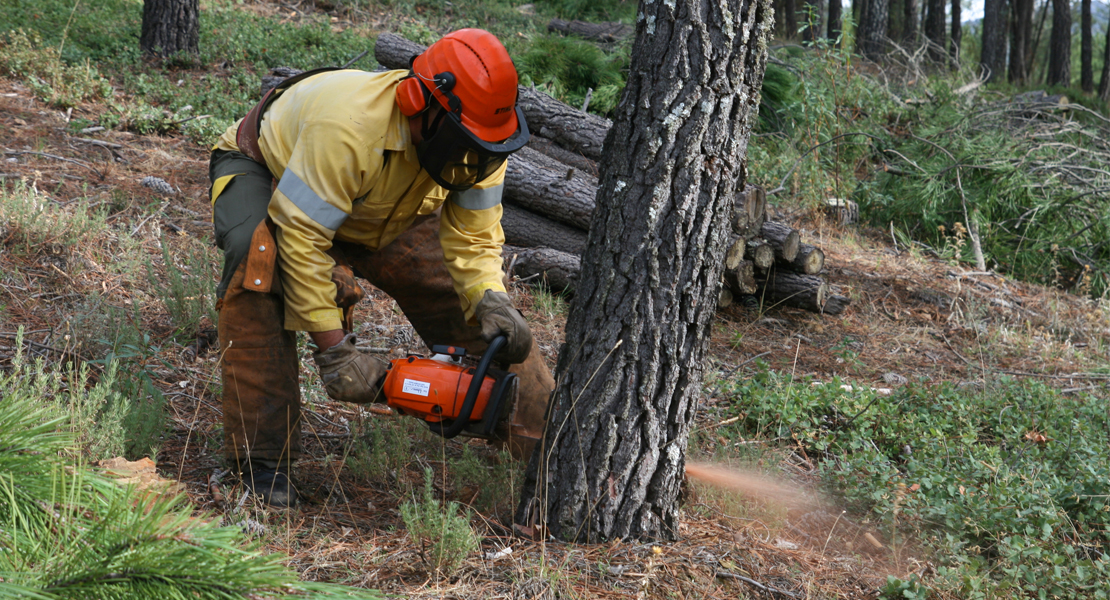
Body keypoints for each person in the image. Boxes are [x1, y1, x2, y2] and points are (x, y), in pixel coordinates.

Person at [208, 29, 554, 508]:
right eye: (463, 143)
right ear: (419, 103)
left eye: (482, 149)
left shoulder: (482, 144)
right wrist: (334, 351)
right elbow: (301, 238)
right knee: (258, 266)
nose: (473, 161)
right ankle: (261, 461)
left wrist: (489, 297)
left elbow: (473, 238)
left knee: (486, 321)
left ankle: (551, 453)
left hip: (382, 205)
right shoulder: (348, 127)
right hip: (272, 173)